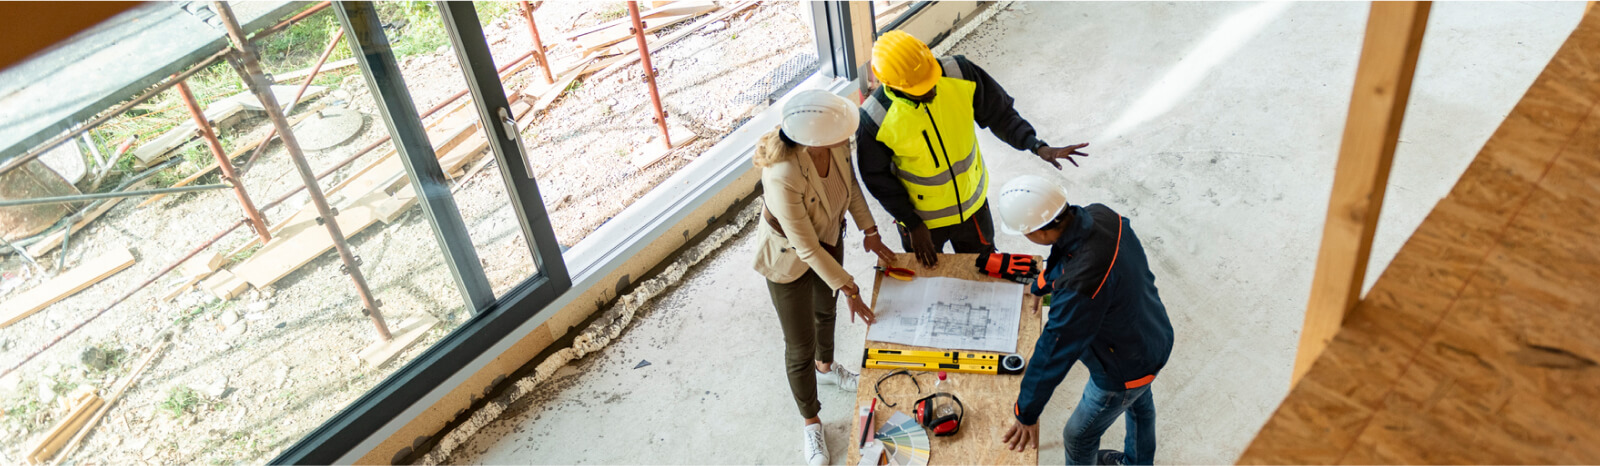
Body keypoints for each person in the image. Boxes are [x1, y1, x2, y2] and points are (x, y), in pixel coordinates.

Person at [855, 30, 1090, 268]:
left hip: (972, 208)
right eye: (921, 89)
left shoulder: (960, 74)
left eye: (932, 79)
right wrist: (911, 222)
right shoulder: (875, 120)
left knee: (985, 267)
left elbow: (1000, 113)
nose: (933, 90)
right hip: (923, 223)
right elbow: (878, 180)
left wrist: (1036, 145)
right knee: (930, 277)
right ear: (894, 86)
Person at [752, 90, 897, 466]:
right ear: (812, 137)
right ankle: (811, 422)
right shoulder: (782, 173)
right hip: (790, 257)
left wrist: (869, 230)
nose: (848, 134)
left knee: (826, 313)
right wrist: (849, 285)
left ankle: (827, 368)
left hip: (828, 236)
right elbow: (805, 248)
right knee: (799, 344)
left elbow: (848, 189)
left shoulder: (834, 144)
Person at [992, 176, 1174, 465]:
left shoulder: (1080, 286)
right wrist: (1042, 282)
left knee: (1079, 436)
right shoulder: (1102, 215)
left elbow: (1054, 351)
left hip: (1122, 369)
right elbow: (1070, 258)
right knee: (1139, 404)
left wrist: (1025, 412)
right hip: (1152, 336)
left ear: (1037, 232)